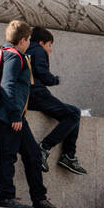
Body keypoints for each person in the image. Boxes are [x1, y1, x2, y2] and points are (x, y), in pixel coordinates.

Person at [0, 20, 59, 208]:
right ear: (22, 40)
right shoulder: (13, 57)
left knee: (33, 154)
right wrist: (14, 116)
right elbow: (8, 86)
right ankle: (7, 198)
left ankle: (39, 199)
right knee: (9, 155)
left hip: (13, 114)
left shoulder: (7, 53)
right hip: (9, 116)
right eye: (28, 40)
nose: (30, 43)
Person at [28, 28, 86, 176]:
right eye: (49, 45)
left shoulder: (25, 49)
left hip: (28, 94)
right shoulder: (38, 50)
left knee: (73, 112)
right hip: (37, 93)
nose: (50, 50)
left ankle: (69, 155)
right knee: (74, 113)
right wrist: (56, 80)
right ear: (41, 42)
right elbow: (43, 74)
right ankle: (46, 148)